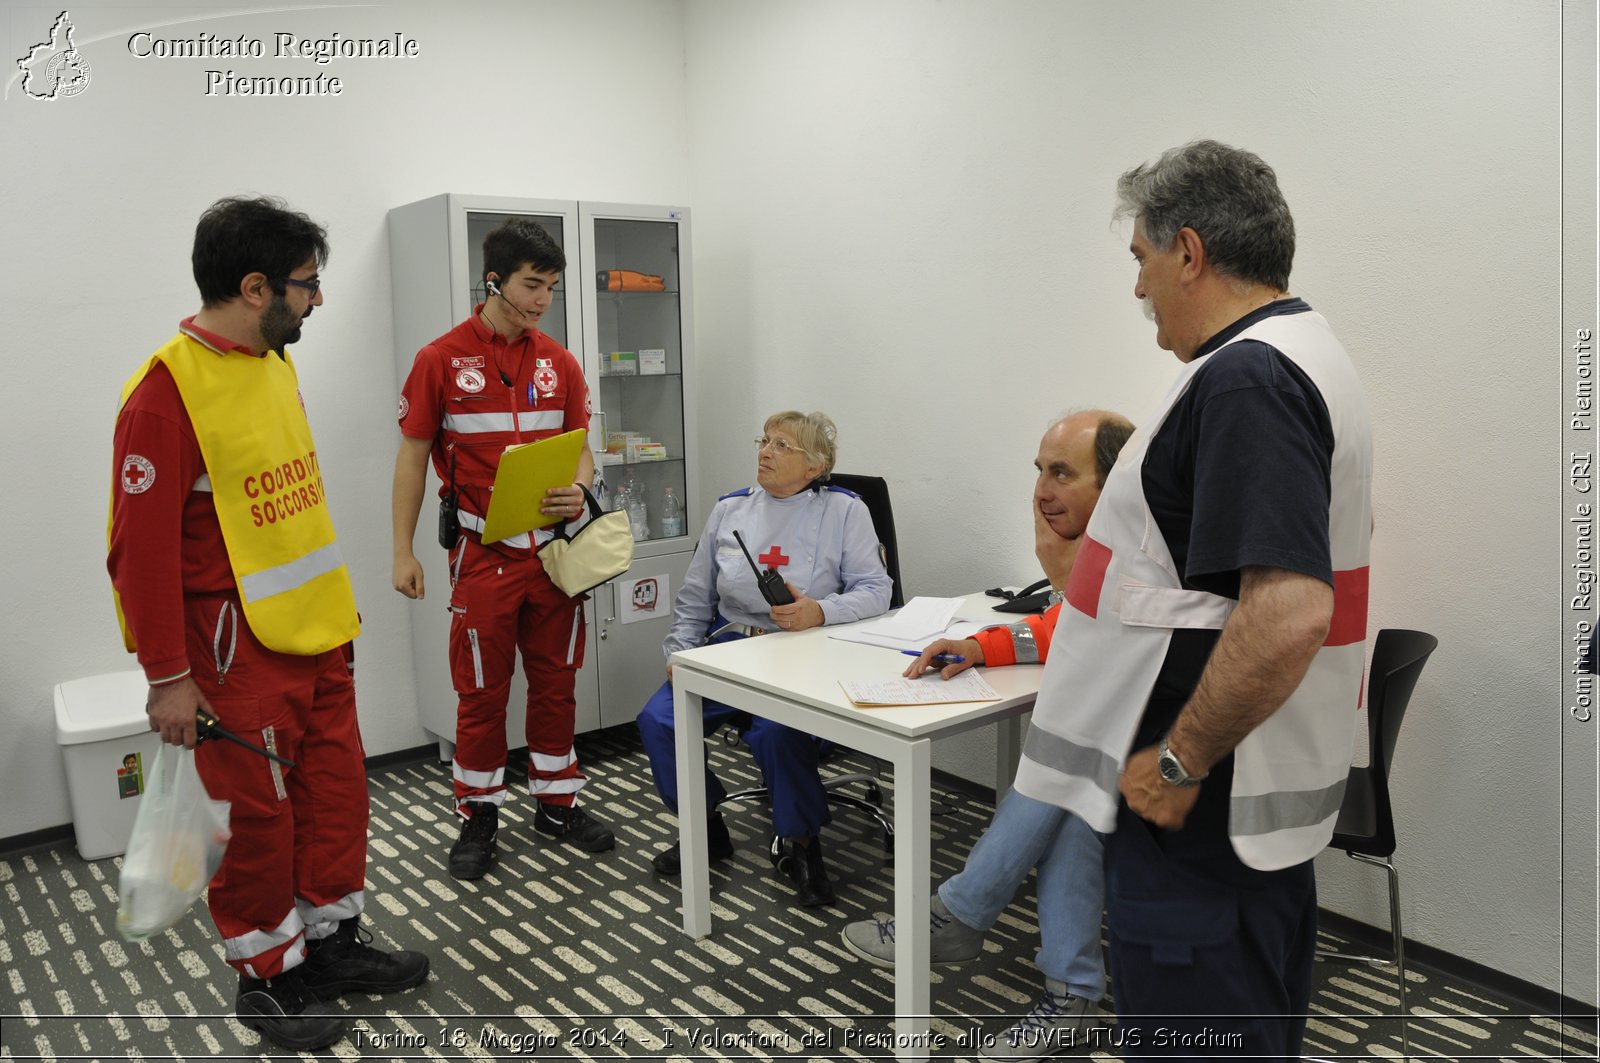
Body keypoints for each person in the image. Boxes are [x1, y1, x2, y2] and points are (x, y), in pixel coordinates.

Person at [1012, 140, 1373, 1060]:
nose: (1138, 290)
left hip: (1199, 818)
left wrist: (1175, 763)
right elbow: (1179, 595)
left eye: (1140, 261)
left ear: (1188, 250)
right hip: (1237, 813)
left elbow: (1288, 609)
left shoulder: (1249, 378)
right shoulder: (1296, 355)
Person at [107, 196, 429, 1051]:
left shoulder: (272, 361)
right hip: (229, 654)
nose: (317, 300)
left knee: (334, 795)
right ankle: (268, 979)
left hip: (319, 635)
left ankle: (330, 946)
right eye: (307, 285)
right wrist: (168, 676)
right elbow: (136, 556)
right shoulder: (165, 394)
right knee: (258, 820)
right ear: (256, 288)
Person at [841, 411, 1133, 1061]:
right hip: (1111, 755)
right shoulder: (1106, 555)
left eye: (1062, 472)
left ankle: (959, 912)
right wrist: (979, 644)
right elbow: (1061, 627)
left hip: (1175, 757)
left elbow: (1094, 642)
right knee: (1073, 802)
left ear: (1117, 485)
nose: (1041, 489)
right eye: (1039, 471)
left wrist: (1059, 561)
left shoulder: (1139, 558)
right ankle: (1072, 992)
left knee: (1066, 768)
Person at [392, 218, 613, 881]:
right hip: (482, 554)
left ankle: (556, 801)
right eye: (531, 284)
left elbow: (581, 452)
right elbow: (410, 459)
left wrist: (579, 488)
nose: (543, 298)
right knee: (482, 691)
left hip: (553, 557)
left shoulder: (560, 362)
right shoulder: (439, 359)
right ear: (494, 280)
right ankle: (479, 813)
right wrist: (400, 550)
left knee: (556, 684)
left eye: (550, 286)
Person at [636, 411, 893, 906]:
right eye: (764, 440)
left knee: (778, 731)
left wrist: (820, 610)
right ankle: (705, 825)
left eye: (782, 445)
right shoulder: (731, 510)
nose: (765, 452)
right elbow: (694, 599)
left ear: (814, 466)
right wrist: (679, 655)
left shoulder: (845, 511)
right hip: (732, 646)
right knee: (658, 720)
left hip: (805, 652)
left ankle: (802, 844)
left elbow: (877, 591)